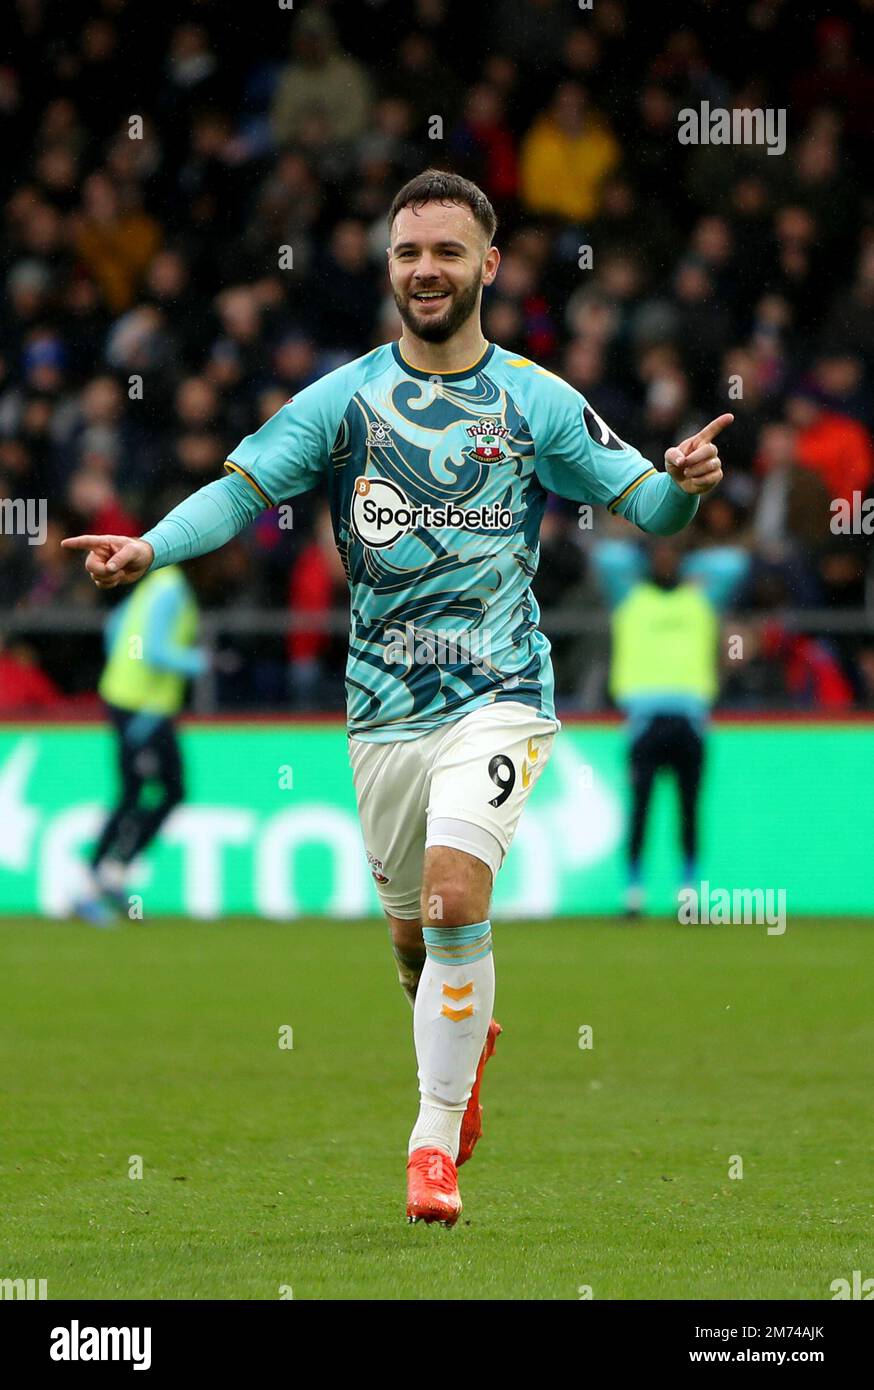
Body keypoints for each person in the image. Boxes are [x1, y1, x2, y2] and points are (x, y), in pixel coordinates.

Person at [63, 169, 729, 1225]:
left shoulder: (537, 400)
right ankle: (461, 1051)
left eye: (447, 252)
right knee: (416, 946)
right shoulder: (344, 399)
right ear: (389, 266)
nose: (426, 269)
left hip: (501, 690)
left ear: (488, 266)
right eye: (409, 252)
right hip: (381, 710)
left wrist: (684, 488)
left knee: (457, 899)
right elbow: (240, 492)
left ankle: (430, 1144)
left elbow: (647, 509)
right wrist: (149, 544)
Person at [592, 535, 748, 915]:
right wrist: (651, 552)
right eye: (658, 556)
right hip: (643, 721)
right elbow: (605, 554)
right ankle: (633, 895)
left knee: (688, 811)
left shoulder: (700, 598)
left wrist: (692, 566)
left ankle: (689, 895)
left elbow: (735, 562)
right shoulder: (630, 597)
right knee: (640, 810)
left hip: (690, 720)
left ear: (683, 561)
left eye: (672, 556)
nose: (665, 561)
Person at [72, 563, 206, 925]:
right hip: (141, 708)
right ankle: (89, 885)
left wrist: (118, 671)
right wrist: (200, 662)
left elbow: (114, 624)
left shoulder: (158, 582)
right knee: (150, 792)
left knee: (152, 790)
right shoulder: (171, 589)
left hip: (134, 703)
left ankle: (108, 875)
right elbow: (155, 651)